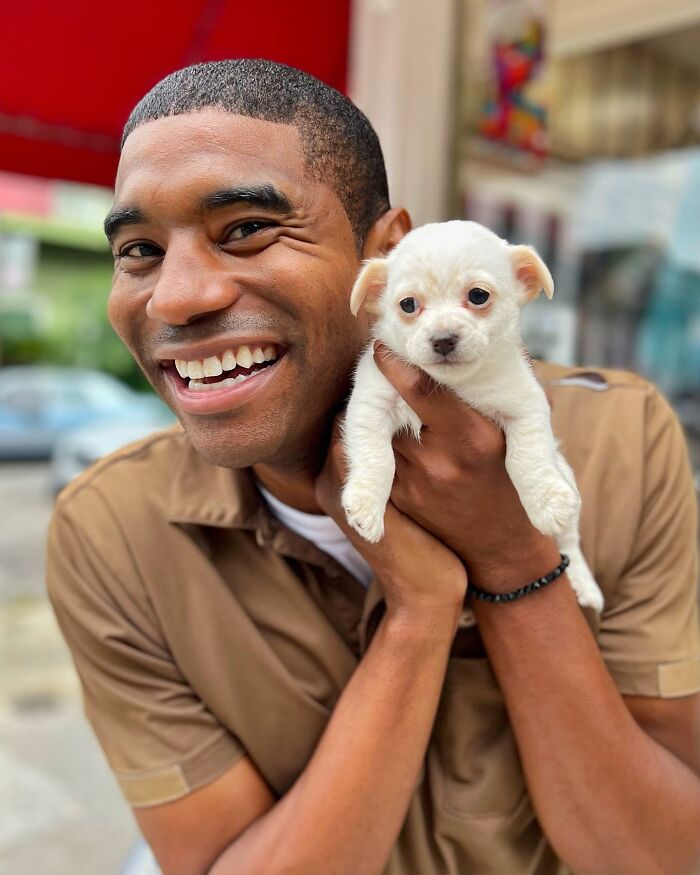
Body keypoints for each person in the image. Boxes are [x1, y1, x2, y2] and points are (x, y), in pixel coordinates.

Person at [46, 59, 700, 875]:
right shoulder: (113, 532)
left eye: (246, 227)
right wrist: (421, 611)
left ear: (387, 251)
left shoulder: (618, 443)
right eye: (139, 249)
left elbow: (664, 853)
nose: (174, 297)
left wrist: (510, 557)